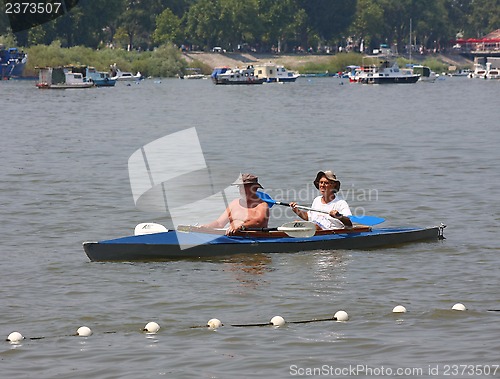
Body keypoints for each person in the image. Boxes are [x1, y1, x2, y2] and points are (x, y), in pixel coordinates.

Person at [202, 173, 269, 235]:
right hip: (232, 238)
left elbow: (259, 222)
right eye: (240, 187)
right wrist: (207, 226)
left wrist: (241, 227)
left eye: (246, 187)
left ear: (255, 188)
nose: (243, 190)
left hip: (253, 239)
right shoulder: (234, 203)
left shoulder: (262, 205)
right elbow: (219, 223)